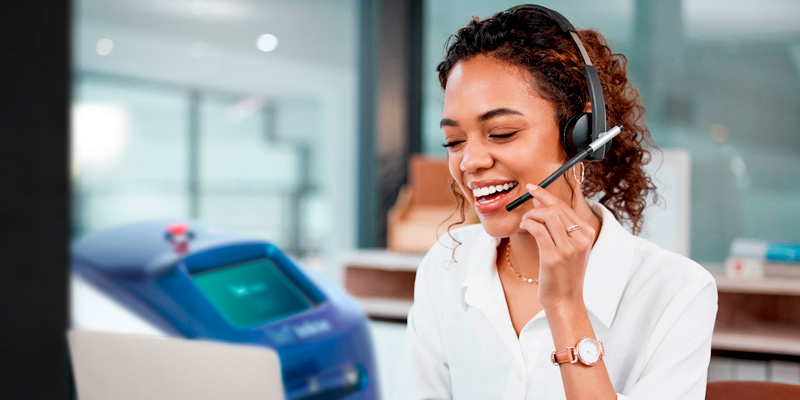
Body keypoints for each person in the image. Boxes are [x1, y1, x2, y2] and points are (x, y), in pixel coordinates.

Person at [392, 5, 717, 400]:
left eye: (501, 132)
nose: (470, 161)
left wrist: (565, 308)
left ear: (580, 137)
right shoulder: (446, 265)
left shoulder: (675, 292)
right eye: (455, 141)